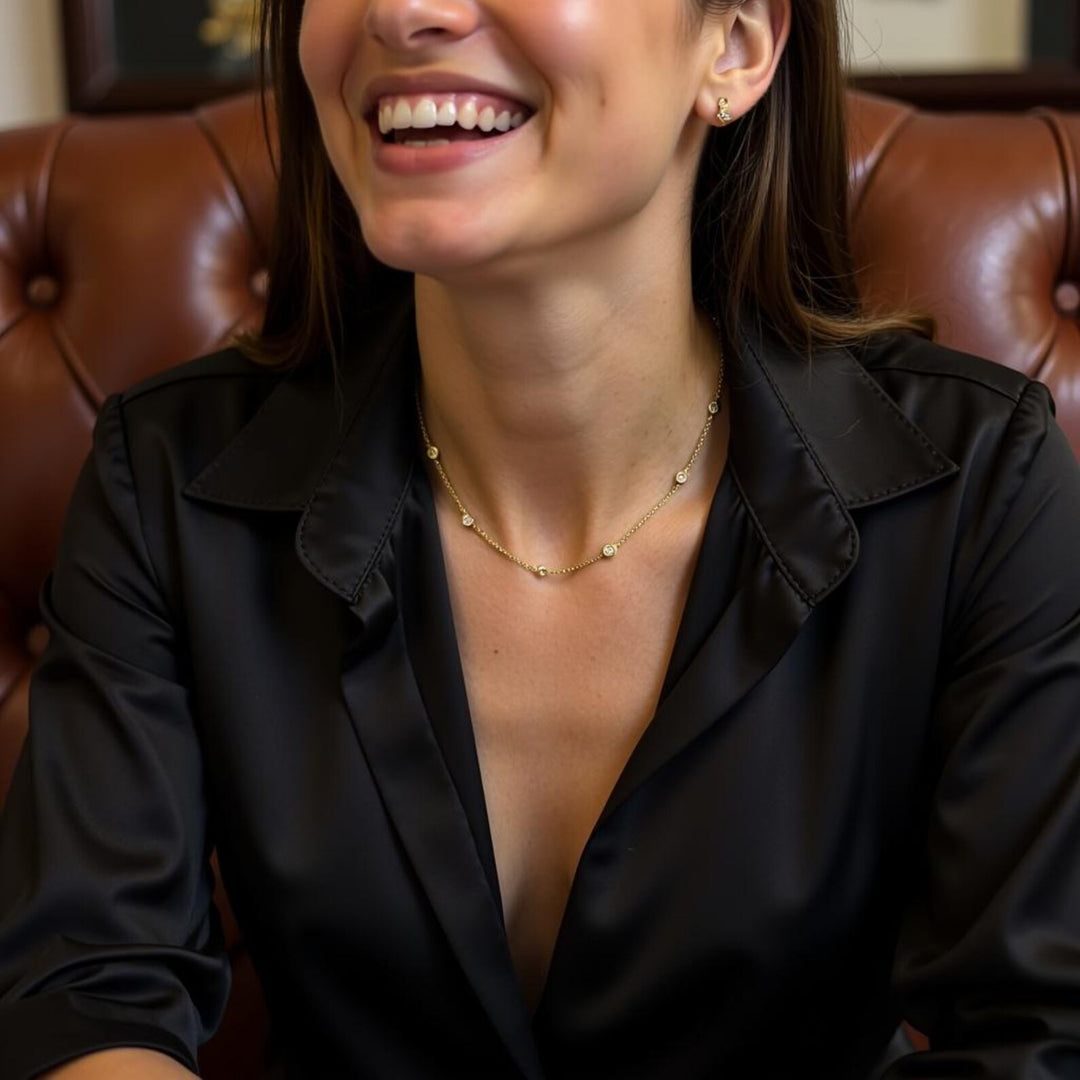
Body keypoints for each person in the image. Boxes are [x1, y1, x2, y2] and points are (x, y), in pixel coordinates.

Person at [2, 0, 1080, 1076]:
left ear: (736, 44)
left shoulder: (981, 485)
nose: (404, 10)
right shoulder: (166, 477)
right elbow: (87, 995)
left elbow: (1042, 1037)